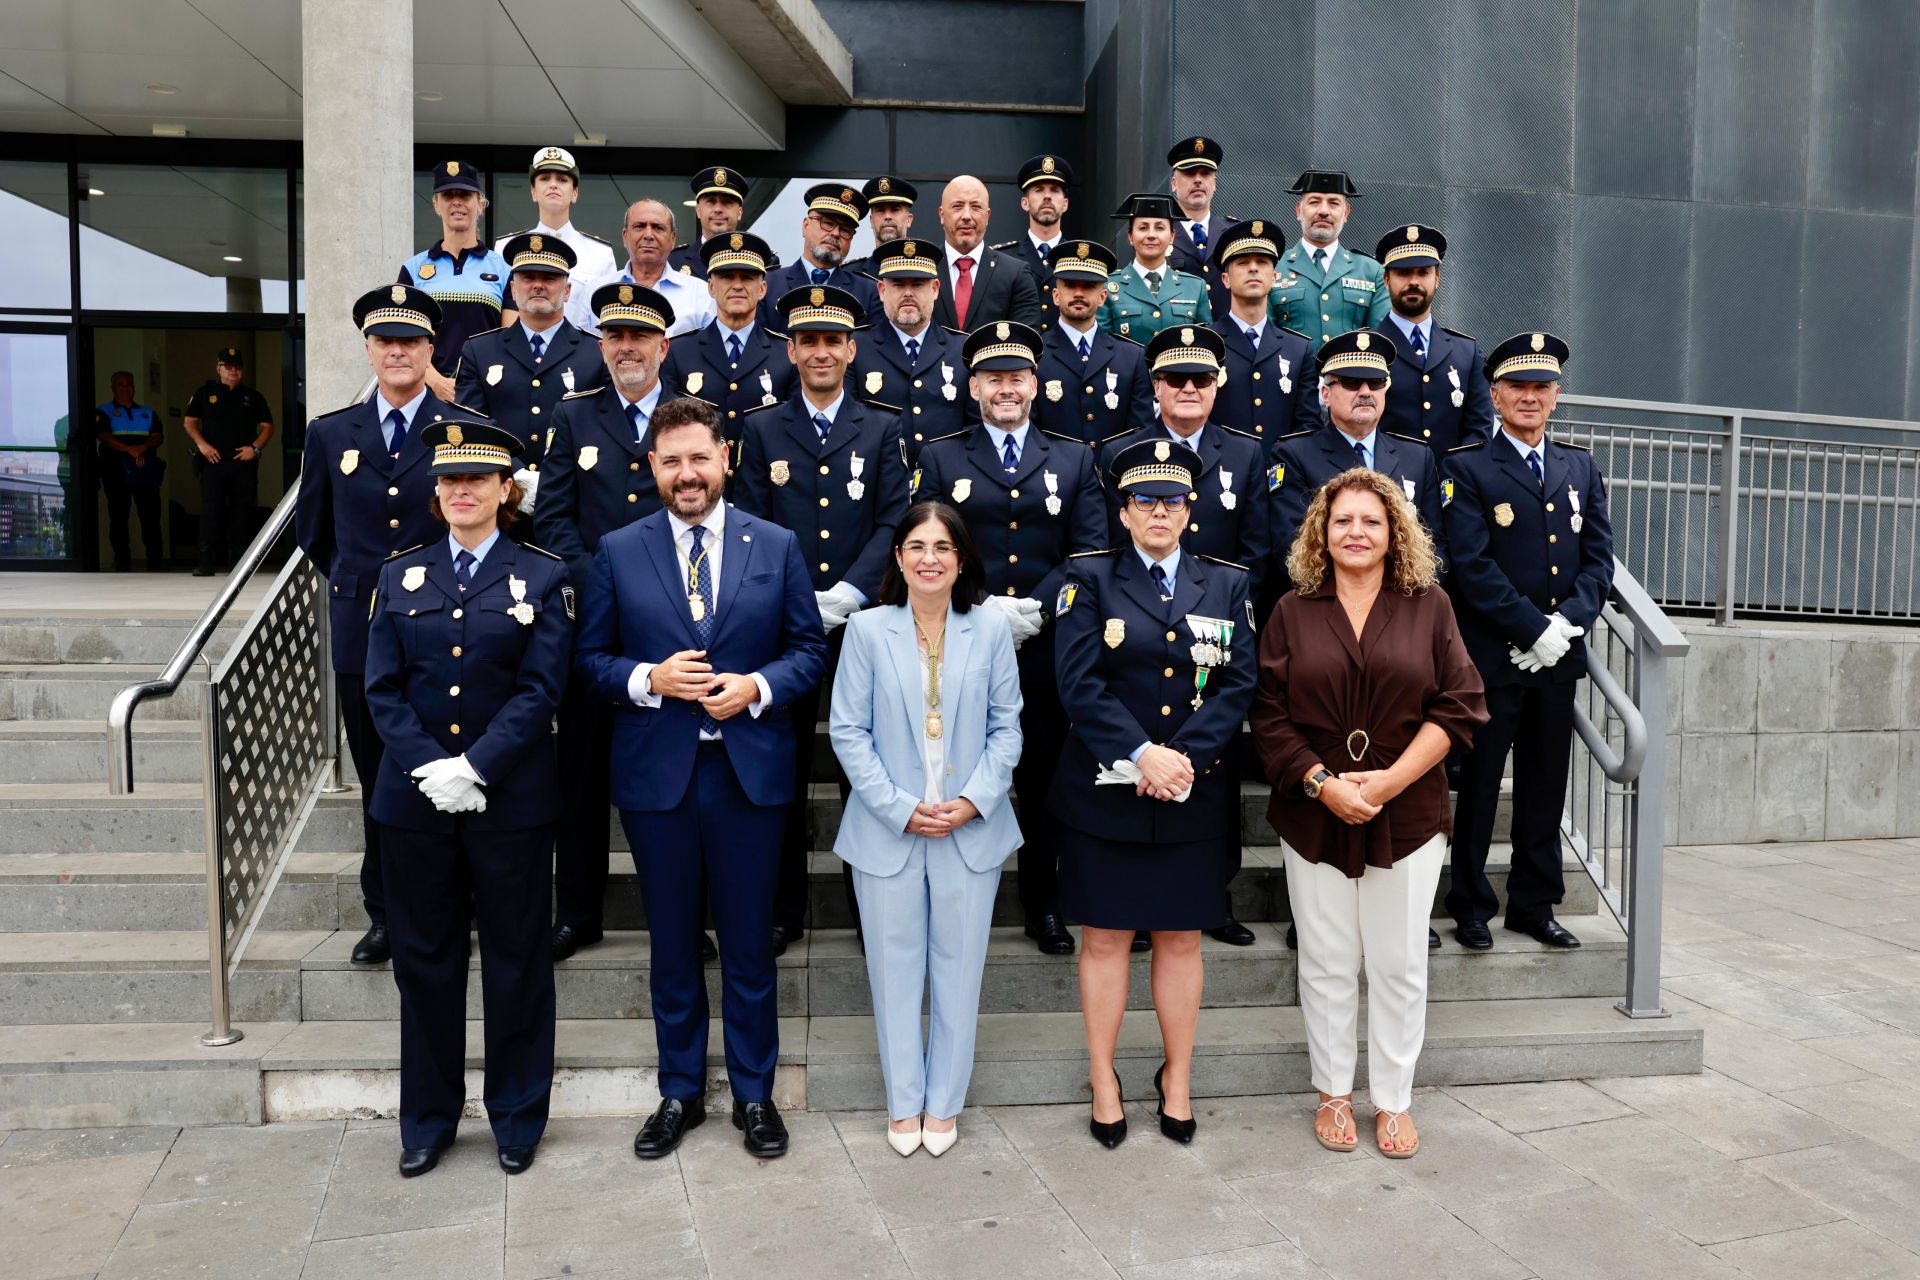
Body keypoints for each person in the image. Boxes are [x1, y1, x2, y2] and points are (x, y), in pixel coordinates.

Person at [573, 397, 828, 1161]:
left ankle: (754, 1095)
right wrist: (649, 679)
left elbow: (808, 651)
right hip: (660, 780)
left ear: (725, 459)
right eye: (672, 461)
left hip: (749, 778)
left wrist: (758, 686)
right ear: (653, 467)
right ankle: (679, 1092)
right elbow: (589, 661)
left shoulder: (776, 544)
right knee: (674, 945)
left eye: (699, 458)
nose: (687, 474)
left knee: (749, 945)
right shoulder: (618, 550)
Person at [1250, 467, 1487, 1158]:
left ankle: (1393, 1100)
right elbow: (1268, 712)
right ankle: (1332, 1091)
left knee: (1398, 961)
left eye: (1372, 521)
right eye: (1343, 520)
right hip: (1313, 809)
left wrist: (1387, 784)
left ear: (1395, 533)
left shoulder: (1429, 605)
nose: (1356, 532)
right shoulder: (1293, 609)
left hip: (1407, 811)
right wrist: (1323, 783)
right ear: (1322, 532)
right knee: (1326, 959)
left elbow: (1461, 704)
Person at [363, 418, 572, 1178]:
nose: (462, 491)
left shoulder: (542, 576)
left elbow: (541, 689)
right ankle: (428, 1119)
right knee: (424, 963)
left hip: (510, 801)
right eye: (450, 479)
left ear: (505, 489)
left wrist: (476, 767)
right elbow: (382, 691)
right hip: (415, 804)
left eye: (477, 479)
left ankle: (517, 1116)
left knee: (517, 961)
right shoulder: (400, 575)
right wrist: (432, 767)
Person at [1052, 440, 1257, 1147]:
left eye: (1172, 501)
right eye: (1145, 500)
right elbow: (1078, 683)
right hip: (1106, 790)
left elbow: (1237, 683)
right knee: (1106, 936)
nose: (1159, 512)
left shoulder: (1226, 584)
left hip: (1191, 793)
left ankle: (1178, 1076)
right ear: (1124, 511)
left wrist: (1182, 761)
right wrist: (1143, 753)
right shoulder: (1088, 578)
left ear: (1190, 510)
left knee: (1180, 936)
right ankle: (1103, 1078)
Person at [829, 501, 1023, 1157]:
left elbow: (1007, 728)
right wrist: (896, 806)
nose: (929, 558)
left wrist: (973, 800)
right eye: (916, 546)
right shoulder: (866, 629)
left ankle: (944, 1104)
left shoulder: (989, 628)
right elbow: (848, 731)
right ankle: (903, 1100)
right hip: (888, 829)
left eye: (942, 547)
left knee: (959, 972)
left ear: (961, 560)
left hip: (969, 829)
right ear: (898, 558)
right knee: (893, 973)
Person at [296, 285, 479, 968]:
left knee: (453, 769)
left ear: (431, 350)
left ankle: (457, 906)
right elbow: (315, 534)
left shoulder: (462, 426)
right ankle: (387, 914)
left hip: (450, 630)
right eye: (385, 341)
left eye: (410, 341)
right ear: (369, 349)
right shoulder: (330, 433)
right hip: (364, 637)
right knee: (381, 782)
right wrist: (364, 591)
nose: (398, 351)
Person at [911, 321, 1106, 957]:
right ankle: (952, 903)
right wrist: (980, 604)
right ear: (973, 387)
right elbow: (929, 543)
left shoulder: (1075, 458)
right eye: (993, 378)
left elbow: (1089, 549)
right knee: (958, 772)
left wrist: (1037, 608)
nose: (1005, 388)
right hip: (964, 638)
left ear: (1035, 385)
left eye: (1016, 377)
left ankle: (1044, 905)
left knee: (1044, 779)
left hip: (1047, 648)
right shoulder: (941, 456)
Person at [735, 284, 910, 952]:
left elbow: (894, 519)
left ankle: (869, 906)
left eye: (832, 341)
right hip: (783, 626)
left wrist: (852, 591)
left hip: (862, 623)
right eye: (807, 341)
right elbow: (750, 523)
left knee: (864, 771)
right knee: (780, 770)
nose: (820, 352)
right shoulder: (761, 428)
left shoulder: (883, 425)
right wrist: (796, 597)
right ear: (791, 350)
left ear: (851, 349)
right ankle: (784, 909)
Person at [1097, 326, 1269, 947]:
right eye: (1176, 378)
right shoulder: (1118, 452)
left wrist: (1227, 608)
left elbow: (1256, 546)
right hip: (1131, 627)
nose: (1189, 388)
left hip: (1214, 622)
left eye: (1200, 378)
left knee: (1213, 769)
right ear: (1156, 386)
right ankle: (1137, 910)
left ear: (1217, 385)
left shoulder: (1246, 452)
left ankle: (1213, 898)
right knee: (1135, 763)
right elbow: (1106, 544)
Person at [530, 282, 685, 962]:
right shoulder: (572, 415)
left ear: (663, 347)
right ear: (601, 346)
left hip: (675, 627)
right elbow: (553, 519)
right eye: (616, 336)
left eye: (640, 336)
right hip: (591, 628)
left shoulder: (692, 416)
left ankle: (679, 918)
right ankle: (578, 912)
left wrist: (653, 594)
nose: (627, 347)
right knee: (581, 779)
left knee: (674, 784)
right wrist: (606, 587)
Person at [1444, 333, 1613, 952]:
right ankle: (1470, 905)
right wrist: (1531, 629)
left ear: (1557, 396)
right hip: (1494, 658)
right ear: (1495, 395)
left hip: (1556, 659)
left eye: (1542, 387)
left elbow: (1598, 560)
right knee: (1480, 786)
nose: (1530, 397)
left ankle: (1533, 905)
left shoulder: (1580, 467)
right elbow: (1471, 565)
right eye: (1517, 386)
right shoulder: (1467, 467)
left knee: (1545, 786)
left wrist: (1565, 627)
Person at [1269, 330, 1447, 580]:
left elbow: (1435, 543)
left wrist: (1399, 591)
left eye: (1376, 382)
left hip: (1403, 595)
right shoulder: (1293, 455)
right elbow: (1290, 544)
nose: (1365, 392)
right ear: (1325, 394)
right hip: (1328, 595)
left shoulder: (1418, 457)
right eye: (1351, 382)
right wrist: (1357, 590)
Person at [456, 234, 607, 469]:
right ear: (513, 289)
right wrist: (516, 474)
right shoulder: (479, 351)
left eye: (549, 277)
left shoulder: (597, 353)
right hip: (503, 483)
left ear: (567, 291)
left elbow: (602, 428)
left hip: (573, 485)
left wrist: (557, 478)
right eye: (528, 277)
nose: (538, 285)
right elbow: (472, 423)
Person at [661, 231, 797, 442]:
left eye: (747, 277)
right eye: (727, 277)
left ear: (762, 289)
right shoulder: (679, 353)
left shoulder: (787, 355)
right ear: (711, 287)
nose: (737, 285)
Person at [849, 238, 973, 465]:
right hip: (880, 479)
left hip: (948, 481)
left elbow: (975, 431)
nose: (908, 293)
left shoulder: (963, 350)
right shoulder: (855, 348)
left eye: (917, 284)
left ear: (935, 289)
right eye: (898, 285)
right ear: (882, 291)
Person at [1372, 224, 1493, 456]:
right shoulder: (1368, 349)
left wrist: (1456, 470)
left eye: (1423, 272)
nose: (1413, 282)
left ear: (1437, 278)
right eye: (1403, 273)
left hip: (1451, 475)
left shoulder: (1467, 352)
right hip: (1386, 476)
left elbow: (1479, 430)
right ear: (1386, 280)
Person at [398, 160, 515, 400]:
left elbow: (510, 340)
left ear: (480, 204)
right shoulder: (412, 269)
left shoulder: (504, 270)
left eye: (465, 195)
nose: (456, 202)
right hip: (427, 392)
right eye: (448, 195)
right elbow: (403, 337)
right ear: (436, 204)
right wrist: (436, 381)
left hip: (487, 392)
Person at [1032, 239, 1153, 446]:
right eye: (1070, 285)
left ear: (1102, 297)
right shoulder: (1035, 355)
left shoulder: (1132, 358)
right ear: (1056, 296)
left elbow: (1141, 433)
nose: (1079, 293)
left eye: (1088, 286)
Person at [1207, 220, 1318, 446]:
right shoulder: (1207, 343)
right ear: (1225, 279)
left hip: (1282, 465)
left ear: (1274, 277)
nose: (1253, 268)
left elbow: (1307, 426)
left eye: (1262, 262)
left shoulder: (1299, 349)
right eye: (1242, 262)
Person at [1269, 170, 1386, 352]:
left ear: (1346, 213)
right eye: (1314, 202)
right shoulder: (1273, 267)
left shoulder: (1372, 272)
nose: (1324, 211)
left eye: (1334, 203)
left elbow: (1380, 340)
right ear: (1298, 210)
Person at [182, 346, 273, 577]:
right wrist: (202, 445)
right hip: (213, 459)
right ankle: (206, 561)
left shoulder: (253, 397)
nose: (233, 370)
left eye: (238, 366)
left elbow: (267, 427)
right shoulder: (205, 393)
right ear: (218, 368)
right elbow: (190, 422)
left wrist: (255, 448)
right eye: (228, 366)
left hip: (243, 460)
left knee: (242, 510)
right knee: (211, 510)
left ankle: (239, 563)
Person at [576, 198, 713, 339]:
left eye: (658, 228)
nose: (648, 235)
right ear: (625, 236)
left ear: (673, 238)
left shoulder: (701, 294)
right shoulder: (594, 292)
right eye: (639, 226)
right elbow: (580, 347)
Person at [492, 146, 619, 296]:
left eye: (562, 180)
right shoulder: (506, 247)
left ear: (575, 193)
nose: (553, 185)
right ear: (533, 192)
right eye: (544, 178)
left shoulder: (600, 253)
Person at [931, 176, 1042, 331]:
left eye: (976, 207)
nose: (966, 216)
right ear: (942, 215)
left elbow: (1026, 339)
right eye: (957, 206)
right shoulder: (924, 270)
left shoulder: (1015, 275)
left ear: (988, 216)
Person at [1098, 193, 1211, 346]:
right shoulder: (1107, 286)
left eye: (1159, 228)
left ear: (1172, 236)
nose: (1151, 235)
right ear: (1130, 236)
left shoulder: (1195, 287)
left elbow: (1205, 347)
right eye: (1143, 228)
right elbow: (1103, 346)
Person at [760, 185, 878, 329]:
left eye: (845, 229)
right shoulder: (768, 284)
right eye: (827, 223)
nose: (835, 233)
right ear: (805, 226)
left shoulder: (869, 292)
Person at [92, 370, 165, 572]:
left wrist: (142, 448)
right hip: (115, 471)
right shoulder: (103, 411)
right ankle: (122, 560)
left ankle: (155, 560)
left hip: (144, 470)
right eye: (121, 384)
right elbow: (103, 435)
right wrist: (128, 450)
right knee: (118, 516)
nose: (126, 388)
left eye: (129, 384)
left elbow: (157, 436)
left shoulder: (148, 412)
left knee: (150, 516)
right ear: (113, 388)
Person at [992, 154, 1073, 328]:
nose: (1047, 196)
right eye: (1039, 190)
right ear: (1025, 203)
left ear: (1065, 204)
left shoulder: (1076, 258)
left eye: (1054, 190)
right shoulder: (1002, 258)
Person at [1166, 135, 1235, 318]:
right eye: (1189, 173)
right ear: (1174, 184)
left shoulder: (1233, 234)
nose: (1198, 180)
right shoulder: (1160, 235)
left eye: (1205, 174)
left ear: (1214, 184)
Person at [667, 165, 749, 278]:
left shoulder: (758, 260)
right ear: (698, 210)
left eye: (727, 202)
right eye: (711, 201)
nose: (718, 209)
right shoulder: (673, 261)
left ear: (739, 213)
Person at [845, 175, 919, 277]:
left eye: (895, 210)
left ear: (908, 220)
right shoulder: (850, 274)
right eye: (880, 210)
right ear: (871, 221)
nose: (887, 216)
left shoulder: (928, 271)